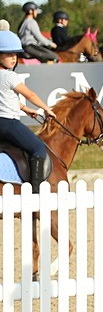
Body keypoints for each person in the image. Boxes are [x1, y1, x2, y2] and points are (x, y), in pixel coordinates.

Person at [0, 30, 56, 191]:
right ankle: (36, 195)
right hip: (8, 124)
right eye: (8, 54)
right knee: (38, 149)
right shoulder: (10, 76)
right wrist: (46, 109)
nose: (13, 58)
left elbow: (6, 100)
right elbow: (30, 94)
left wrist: (26, 109)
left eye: (15, 55)